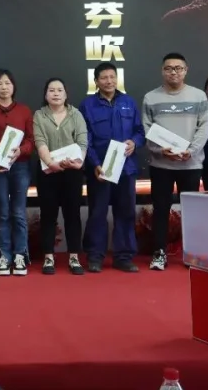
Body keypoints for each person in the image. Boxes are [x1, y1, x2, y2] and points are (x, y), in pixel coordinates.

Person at [141, 52, 208, 271]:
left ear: (186, 70)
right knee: (161, 209)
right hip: (161, 165)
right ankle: (159, 253)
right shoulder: (151, 97)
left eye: (178, 68)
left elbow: (204, 126)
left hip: (190, 164)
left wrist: (191, 151)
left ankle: (193, 254)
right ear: (162, 71)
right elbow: (146, 128)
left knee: (191, 211)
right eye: (169, 68)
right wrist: (160, 150)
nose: (174, 72)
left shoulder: (198, 96)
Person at [78, 62, 145, 273]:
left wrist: (135, 142)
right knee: (97, 213)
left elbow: (140, 131)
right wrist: (95, 164)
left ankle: (123, 257)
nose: (109, 81)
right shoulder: (87, 105)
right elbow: (85, 139)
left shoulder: (128, 102)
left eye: (112, 77)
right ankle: (95, 257)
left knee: (126, 212)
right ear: (96, 81)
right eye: (104, 78)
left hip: (126, 168)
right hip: (100, 170)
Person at [0, 69, 34, 276]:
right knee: (2, 212)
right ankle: (4, 256)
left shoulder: (24, 111)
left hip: (20, 166)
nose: (4, 87)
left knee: (18, 212)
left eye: (7, 83)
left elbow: (31, 139)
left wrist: (21, 150)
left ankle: (20, 255)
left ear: (13, 86)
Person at [33, 78, 88, 275]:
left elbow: (82, 141)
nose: (55, 93)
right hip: (48, 173)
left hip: (72, 172)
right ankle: (49, 257)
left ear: (65, 94)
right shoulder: (39, 115)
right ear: (45, 94)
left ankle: (74, 257)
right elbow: (40, 141)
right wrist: (50, 163)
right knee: (48, 215)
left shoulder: (76, 115)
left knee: (72, 215)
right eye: (51, 90)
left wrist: (78, 161)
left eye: (59, 90)